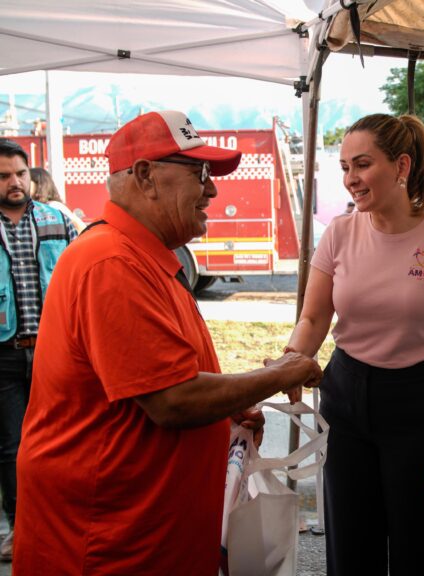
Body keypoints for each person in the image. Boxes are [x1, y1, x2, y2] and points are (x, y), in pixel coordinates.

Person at [13, 111, 323, 574]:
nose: (213, 190)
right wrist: (279, 374)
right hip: (108, 545)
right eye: (199, 175)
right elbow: (172, 401)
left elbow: (164, 377)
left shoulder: (136, 254)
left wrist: (224, 407)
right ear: (145, 176)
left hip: (141, 535)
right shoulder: (112, 262)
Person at [285, 113, 424, 576]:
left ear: (401, 166)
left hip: (417, 403)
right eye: (345, 167)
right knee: (351, 548)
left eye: (362, 165)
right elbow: (313, 318)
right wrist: (289, 364)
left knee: (414, 547)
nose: (351, 179)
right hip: (346, 395)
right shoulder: (339, 233)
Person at [0, 138, 78, 562]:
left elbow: (80, 281)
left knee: (61, 439)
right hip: (4, 353)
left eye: (21, 174)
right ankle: (20, 528)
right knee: (12, 446)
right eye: (5, 176)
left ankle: (60, 523)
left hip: (55, 350)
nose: (15, 182)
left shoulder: (55, 221)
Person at [29, 166, 87, 233]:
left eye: (28, 181)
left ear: (38, 184)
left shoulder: (53, 206)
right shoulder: (33, 208)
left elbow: (81, 228)